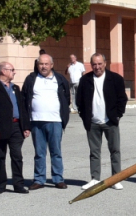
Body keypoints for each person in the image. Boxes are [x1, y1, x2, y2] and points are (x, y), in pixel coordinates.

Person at [75, 53, 127, 191]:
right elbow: (79, 100)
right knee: (94, 152)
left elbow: (122, 99)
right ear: (91, 65)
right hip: (92, 123)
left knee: (115, 150)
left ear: (105, 63)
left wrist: (117, 116)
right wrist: (84, 116)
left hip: (110, 121)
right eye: (94, 64)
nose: (97, 67)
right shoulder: (85, 80)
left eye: (99, 64)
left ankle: (116, 178)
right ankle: (95, 179)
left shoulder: (115, 79)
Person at [21, 53, 71, 189]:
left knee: (56, 152)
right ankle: (39, 179)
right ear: (37, 65)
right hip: (36, 122)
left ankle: (58, 179)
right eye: (41, 64)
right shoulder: (31, 79)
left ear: (52, 65)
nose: (43, 66)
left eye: (46, 64)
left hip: (55, 121)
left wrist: (63, 115)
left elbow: (66, 98)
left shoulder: (59, 79)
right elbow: (24, 98)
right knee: (39, 153)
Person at [0, 62, 30, 194]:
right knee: (0, 157)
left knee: (17, 156)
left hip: (16, 126)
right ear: (3, 71)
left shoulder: (16, 88)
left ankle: (18, 185)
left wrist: (25, 126)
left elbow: (22, 108)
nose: (14, 72)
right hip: (0, 128)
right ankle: (0, 185)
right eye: (12, 70)